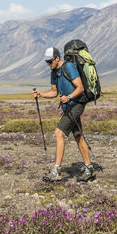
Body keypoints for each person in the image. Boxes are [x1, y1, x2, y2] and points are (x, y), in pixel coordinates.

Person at [32, 45, 96, 182]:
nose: (48, 64)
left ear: (57, 58)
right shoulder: (53, 72)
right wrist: (41, 94)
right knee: (78, 136)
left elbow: (80, 88)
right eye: (46, 62)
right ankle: (89, 169)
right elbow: (54, 92)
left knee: (59, 133)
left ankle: (56, 171)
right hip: (68, 107)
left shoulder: (69, 67)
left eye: (50, 61)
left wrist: (69, 97)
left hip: (77, 104)